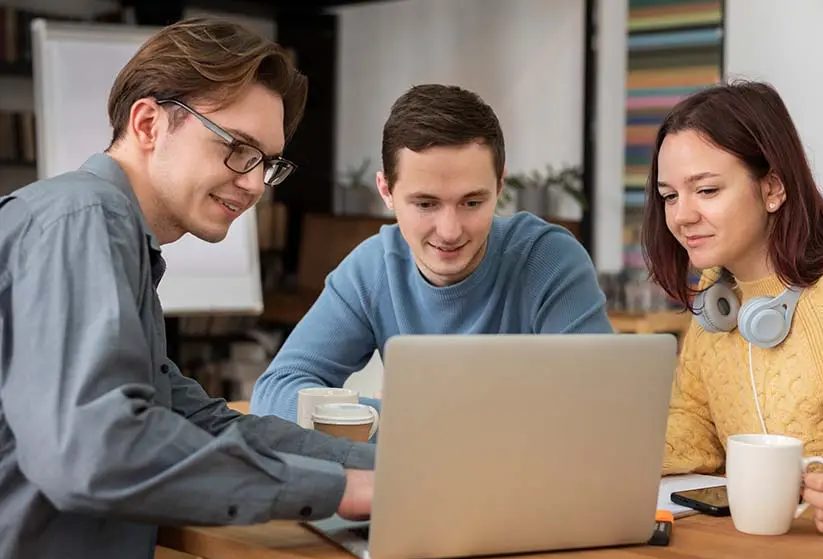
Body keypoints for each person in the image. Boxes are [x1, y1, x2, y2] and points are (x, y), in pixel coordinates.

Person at [0, 16, 372, 559]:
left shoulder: (108, 235)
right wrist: (343, 490)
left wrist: (383, 462)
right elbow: (98, 451)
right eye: (236, 149)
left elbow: (201, 422)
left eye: (267, 162)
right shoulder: (83, 221)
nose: (254, 185)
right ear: (149, 123)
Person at [251, 83, 614, 422]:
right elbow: (276, 392)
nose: (450, 231)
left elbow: (599, 402)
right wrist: (393, 415)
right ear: (386, 191)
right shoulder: (372, 270)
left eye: (472, 202)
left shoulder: (549, 259)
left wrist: (414, 416)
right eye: (425, 204)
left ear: (500, 185)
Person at [642, 80, 823, 538]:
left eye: (706, 190)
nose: (681, 216)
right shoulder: (717, 296)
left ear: (773, 188)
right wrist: (607, 449)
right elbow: (696, 427)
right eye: (669, 196)